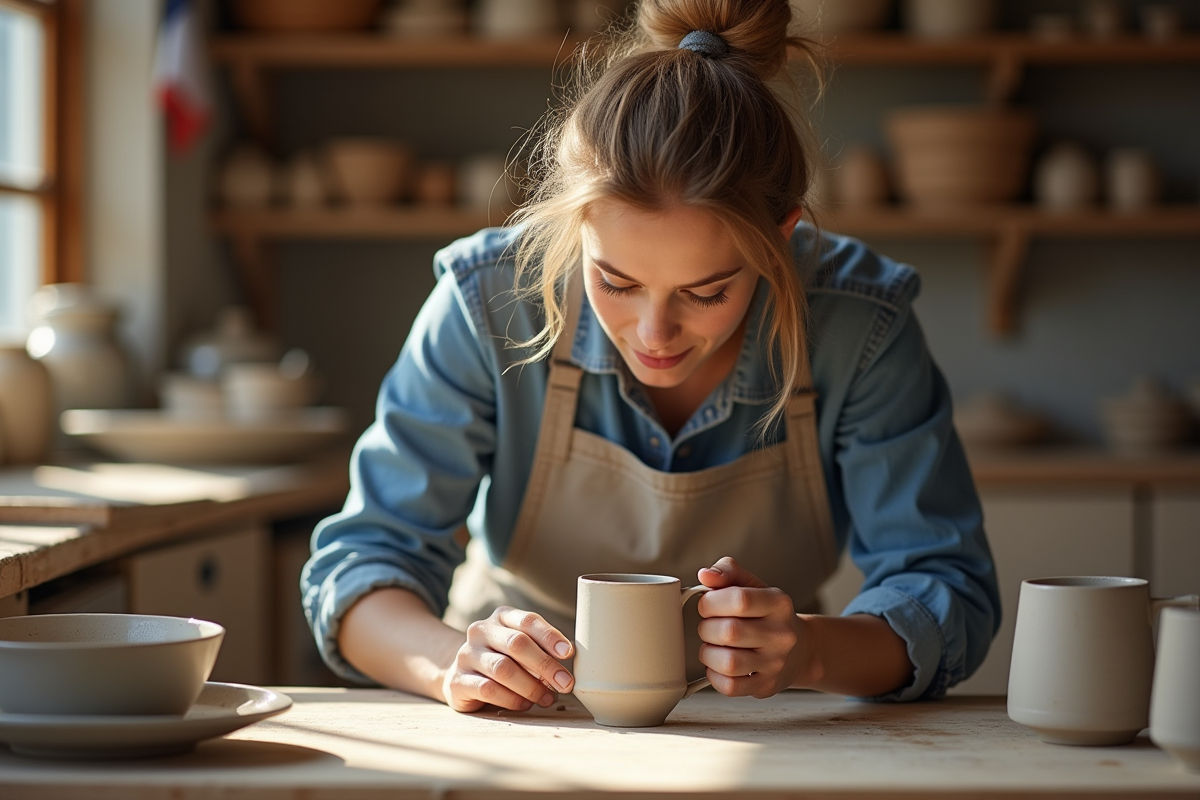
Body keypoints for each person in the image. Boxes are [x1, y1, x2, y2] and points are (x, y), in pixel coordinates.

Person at [302, 0, 1000, 714]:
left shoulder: (860, 324)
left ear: (781, 234)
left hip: (771, 721)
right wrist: (455, 663)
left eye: (706, 291)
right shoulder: (489, 303)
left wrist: (811, 650)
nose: (653, 333)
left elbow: (945, 589)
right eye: (616, 282)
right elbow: (362, 565)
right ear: (575, 225)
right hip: (518, 718)